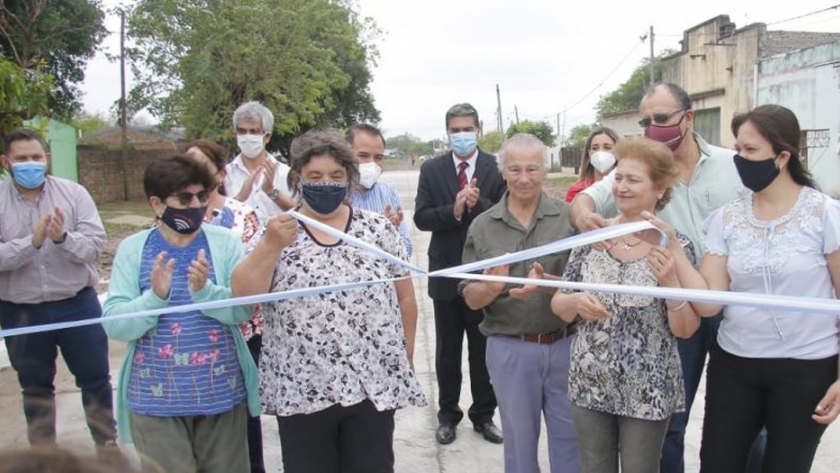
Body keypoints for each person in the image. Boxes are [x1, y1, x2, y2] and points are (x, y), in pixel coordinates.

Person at [568, 82, 755, 473]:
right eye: (646, 120)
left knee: (736, 420)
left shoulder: (731, 166)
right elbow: (587, 201)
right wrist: (585, 218)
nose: (653, 127)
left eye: (662, 119)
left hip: (733, 306)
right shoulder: (638, 168)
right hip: (672, 297)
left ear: (688, 119)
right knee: (669, 426)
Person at [656, 104, 840, 473]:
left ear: (783, 156)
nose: (740, 159)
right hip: (736, 364)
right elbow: (710, 303)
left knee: (785, 465)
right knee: (718, 463)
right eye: (737, 149)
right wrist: (673, 249)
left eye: (751, 151)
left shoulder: (824, 215)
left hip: (806, 368)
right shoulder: (728, 219)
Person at [231, 129, 424, 473]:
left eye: (336, 176)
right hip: (302, 388)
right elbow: (244, 297)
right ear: (297, 179)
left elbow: (405, 296)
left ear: (349, 179)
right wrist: (270, 247)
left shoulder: (378, 230)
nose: (326, 184)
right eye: (315, 176)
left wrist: (405, 356)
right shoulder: (277, 231)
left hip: (371, 384)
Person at [102, 156, 260, 473]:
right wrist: (155, 297)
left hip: (221, 394)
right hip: (154, 400)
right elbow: (115, 324)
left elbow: (242, 310)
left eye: (202, 196)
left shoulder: (225, 242)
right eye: (184, 198)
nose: (196, 205)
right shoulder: (134, 249)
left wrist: (206, 292)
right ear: (157, 204)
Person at [554, 136, 701, 473]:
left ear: (660, 188)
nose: (621, 187)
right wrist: (575, 300)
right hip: (590, 380)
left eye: (633, 180)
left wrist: (671, 285)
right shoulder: (593, 237)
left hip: (647, 385)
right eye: (618, 178)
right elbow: (559, 305)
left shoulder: (673, 246)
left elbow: (687, 329)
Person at [459, 133, 580, 472]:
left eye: (532, 168)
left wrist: (550, 285)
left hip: (566, 344)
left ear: (545, 170)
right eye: (515, 169)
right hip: (510, 348)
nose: (524, 178)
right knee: (519, 445)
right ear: (503, 172)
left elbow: (584, 281)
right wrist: (492, 286)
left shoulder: (569, 219)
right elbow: (469, 296)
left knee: (571, 441)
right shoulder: (483, 227)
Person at [0, 129, 119, 452]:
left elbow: (95, 247)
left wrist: (62, 238)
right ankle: (44, 454)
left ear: (47, 159)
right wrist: (32, 242)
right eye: (21, 159)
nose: (30, 164)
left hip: (76, 304)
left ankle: (106, 444)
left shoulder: (73, 194)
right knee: (35, 387)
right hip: (21, 310)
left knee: (95, 378)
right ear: (6, 162)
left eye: (36, 157)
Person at [414, 102, 507, 445]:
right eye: (455, 130)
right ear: (447, 133)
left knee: (483, 350)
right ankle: (447, 414)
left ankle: (484, 415)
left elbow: (504, 215)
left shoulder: (495, 167)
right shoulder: (432, 169)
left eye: (468, 129)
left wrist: (477, 204)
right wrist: (453, 209)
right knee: (447, 351)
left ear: (478, 130)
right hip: (446, 272)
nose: (462, 135)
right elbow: (422, 217)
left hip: (484, 274)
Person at [185, 140, 266, 473]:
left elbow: (250, 274)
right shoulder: (169, 219)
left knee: (244, 414)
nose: (193, 174)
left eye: (201, 166)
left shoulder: (241, 216)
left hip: (240, 332)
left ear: (220, 173)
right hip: (192, 336)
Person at [345, 124, 413, 256]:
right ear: (345, 155)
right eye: (363, 155)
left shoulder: (389, 192)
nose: (372, 163)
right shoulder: (335, 195)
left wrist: (391, 233)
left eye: (378, 157)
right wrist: (378, 231)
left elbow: (407, 249)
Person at [225, 101, 295, 222]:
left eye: (253, 131)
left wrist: (272, 192)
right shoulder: (225, 175)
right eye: (242, 131)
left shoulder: (285, 174)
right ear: (236, 135)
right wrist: (239, 198)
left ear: (267, 136)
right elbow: (217, 218)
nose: (247, 136)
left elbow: (299, 213)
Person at [565, 127, 620, 203]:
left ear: (618, 151)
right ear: (589, 153)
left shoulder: (625, 189)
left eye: (607, 147)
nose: (600, 152)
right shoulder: (576, 190)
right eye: (595, 148)